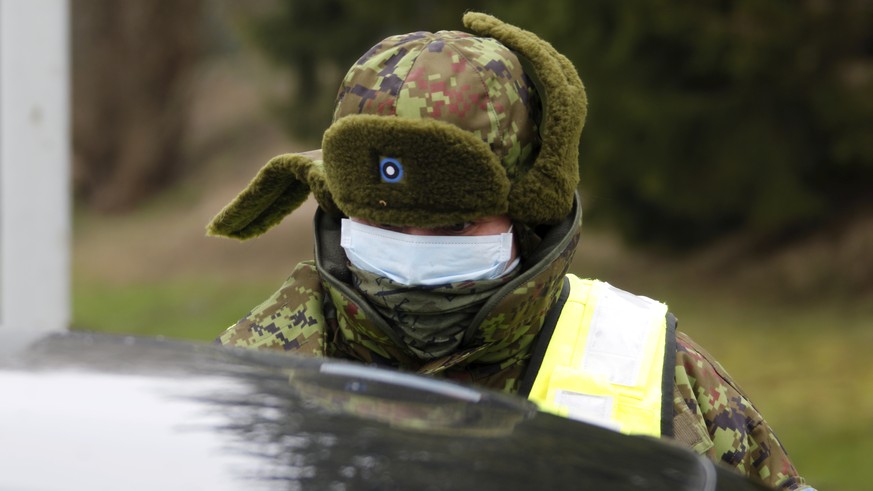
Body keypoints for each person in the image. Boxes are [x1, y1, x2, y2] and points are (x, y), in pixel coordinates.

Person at [208, 12, 812, 491]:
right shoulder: (247, 375)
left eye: (456, 228)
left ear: (525, 221)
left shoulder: (653, 373)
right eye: (381, 223)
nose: (414, 256)